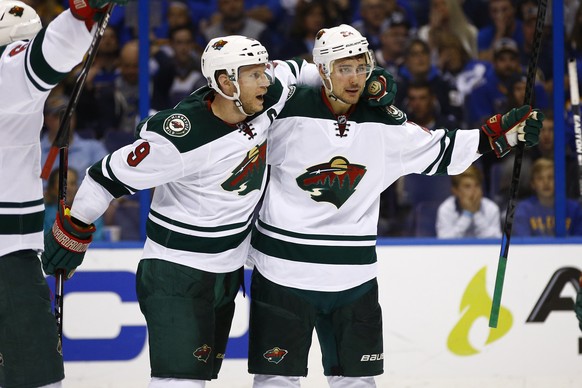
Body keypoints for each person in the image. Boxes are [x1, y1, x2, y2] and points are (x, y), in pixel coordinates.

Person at [247, 24, 543, 388]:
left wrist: (502, 135)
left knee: (356, 382)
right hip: (283, 274)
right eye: (343, 68)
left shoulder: (385, 123)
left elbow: (442, 149)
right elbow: (255, 85)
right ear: (322, 70)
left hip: (352, 280)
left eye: (361, 66)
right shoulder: (285, 111)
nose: (355, 78)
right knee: (276, 380)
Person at [39, 34, 330, 387]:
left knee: (200, 378)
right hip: (177, 275)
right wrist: (73, 234)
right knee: (179, 383)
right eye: (254, 74)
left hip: (225, 274)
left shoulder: (265, 96)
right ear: (226, 82)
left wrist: (362, 82)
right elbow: (103, 178)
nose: (265, 81)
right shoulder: (179, 139)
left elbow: (299, 71)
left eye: (263, 71)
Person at [0, 1, 126, 388]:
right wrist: (81, 16)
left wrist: (79, 19)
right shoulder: (10, 74)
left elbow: (45, 55)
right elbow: (48, 52)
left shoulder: (11, 77)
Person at [513, 158, 582, 237]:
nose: (546, 183)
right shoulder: (524, 209)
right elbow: (523, 242)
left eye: (550, 177)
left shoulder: (574, 208)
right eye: (540, 178)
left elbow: (579, 242)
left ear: (559, 181)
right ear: (533, 184)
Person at [436, 164, 502, 238]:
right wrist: (467, 214)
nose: (474, 191)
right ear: (455, 191)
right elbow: (444, 242)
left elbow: (496, 240)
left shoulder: (491, 208)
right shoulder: (446, 209)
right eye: (467, 186)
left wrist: (476, 214)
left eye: (477, 185)